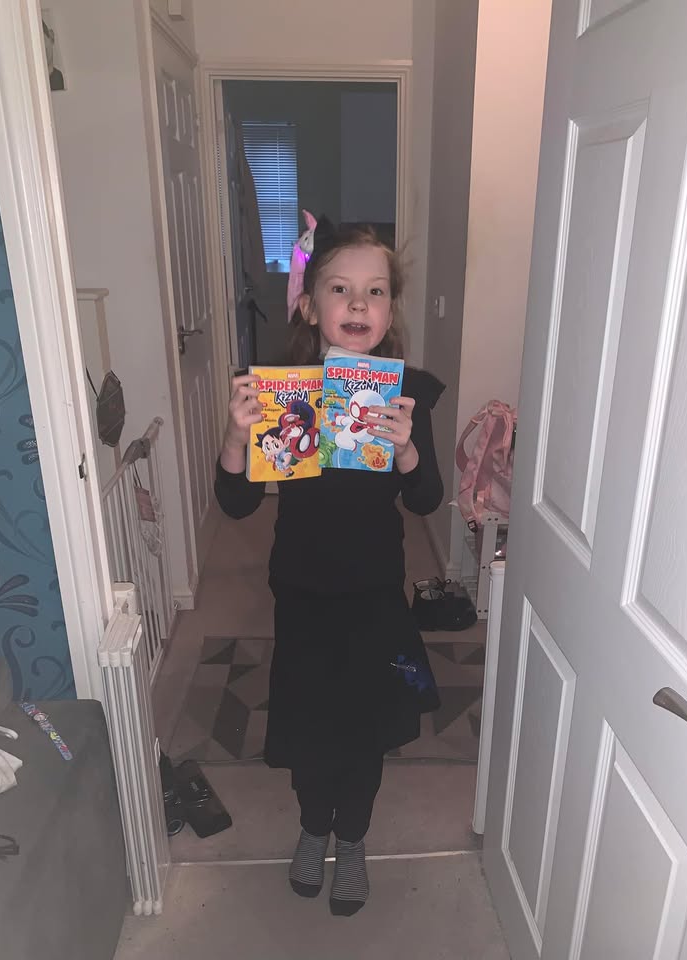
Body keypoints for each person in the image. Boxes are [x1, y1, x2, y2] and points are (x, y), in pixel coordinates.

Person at [214, 217, 444, 916]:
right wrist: (236, 437)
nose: (358, 303)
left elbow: (426, 497)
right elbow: (236, 505)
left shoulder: (405, 393)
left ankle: (354, 839)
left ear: (390, 311)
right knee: (312, 728)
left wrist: (407, 450)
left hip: (375, 596)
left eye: (375, 291)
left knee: (365, 731)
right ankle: (314, 827)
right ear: (310, 306)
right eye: (340, 289)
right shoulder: (285, 392)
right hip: (303, 595)